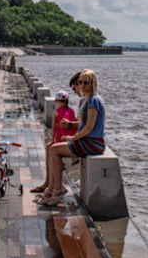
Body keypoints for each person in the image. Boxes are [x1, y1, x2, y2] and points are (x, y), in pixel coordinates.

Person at [37, 69, 105, 206]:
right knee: (53, 149)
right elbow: (82, 124)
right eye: (81, 82)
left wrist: (73, 138)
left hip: (92, 143)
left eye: (87, 82)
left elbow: (89, 127)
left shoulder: (93, 101)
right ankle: (55, 188)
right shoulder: (88, 100)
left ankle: (58, 190)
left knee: (55, 150)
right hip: (88, 141)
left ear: (93, 84)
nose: (83, 85)